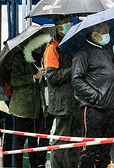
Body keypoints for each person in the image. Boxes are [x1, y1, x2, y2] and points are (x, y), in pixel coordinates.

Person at [72, 22, 114, 167]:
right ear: (94, 34)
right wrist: (96, 98)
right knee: (89, 151)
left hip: (110, 108)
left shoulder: (107, 50)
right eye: (105, 31)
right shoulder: (83, 53)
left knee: (105, 151)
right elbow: (76, 80)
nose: (108, 34)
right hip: (93, 109)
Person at [44, 15, 81, 168]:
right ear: (57, 26)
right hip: (62, 101)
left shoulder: (74, 44)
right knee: (61, 138)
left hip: (76, 99)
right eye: (65, 23)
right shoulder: (52, 48)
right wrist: (74, 70)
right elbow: (51, 76)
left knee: (76, 139)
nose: (68, 25)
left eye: (69, 22)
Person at [9, 33, 48, 168]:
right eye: (40, 45)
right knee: (20, 139)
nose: (42, 48)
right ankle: (17, 165)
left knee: (33, 139)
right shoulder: (20, 58)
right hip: (22, 107)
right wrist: (33, 77)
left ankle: (34, 165)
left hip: (36, 107)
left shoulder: (40, 59)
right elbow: (14, 80)